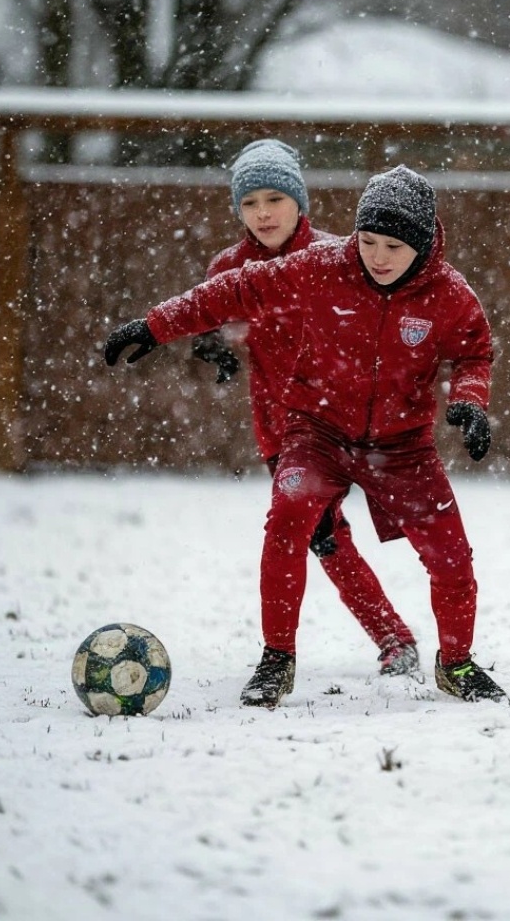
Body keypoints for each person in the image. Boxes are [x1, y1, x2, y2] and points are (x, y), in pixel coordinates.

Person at [104, 163, 506, 707]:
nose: (377, 257)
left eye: (393, 246)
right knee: (288, 520)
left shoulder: (451, 295)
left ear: (424, 246)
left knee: (452, 557)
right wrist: (155, 326)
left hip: (403, 447)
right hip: (318, 432)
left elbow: (474, 354)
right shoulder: (321, 266)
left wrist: (470, 402)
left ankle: (456, 664)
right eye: (367, 241)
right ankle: (277, 659)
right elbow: (235, 289)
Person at [190, 140, 419, 702]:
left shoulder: (336, 258)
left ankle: (376, 640)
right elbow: (205, 310)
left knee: (326, 532)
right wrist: (210, 341)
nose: (263, 213)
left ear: (300, 201)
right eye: (250, 203)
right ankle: (391, 637)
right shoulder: (228, 267)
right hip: (279, 426)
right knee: (324, 534)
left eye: (275, 199)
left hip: (341, 421)